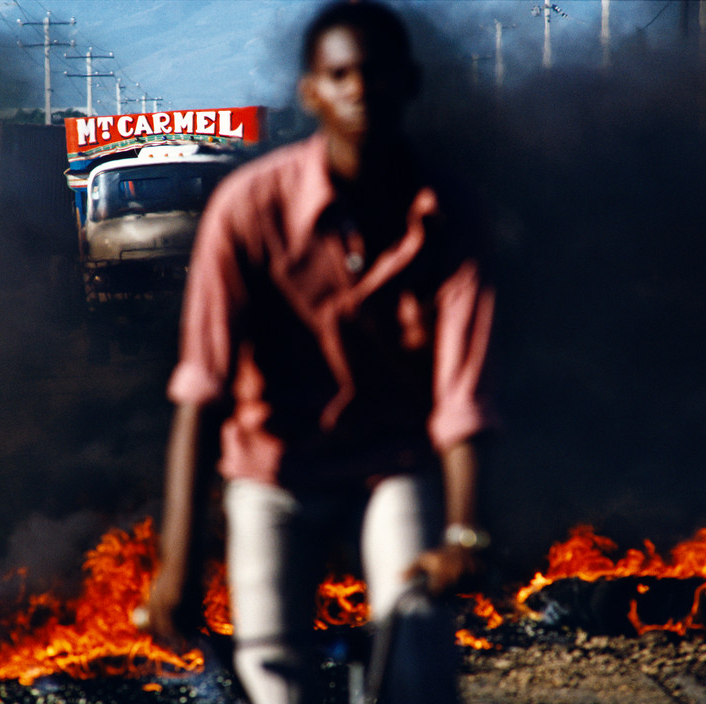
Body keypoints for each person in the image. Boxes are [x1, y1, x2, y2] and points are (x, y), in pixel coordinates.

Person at [142, 2, 496, 702]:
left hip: (392, 465)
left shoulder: (451, 214)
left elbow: (462, 396)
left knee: (419, 654)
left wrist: (463, 533)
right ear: (310, 91)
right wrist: (178, 565)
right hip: (272, 472)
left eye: (376, 73)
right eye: (339, 75)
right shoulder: (247, 209)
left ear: (409, 82)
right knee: (274, 677)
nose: (359, 90)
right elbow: (201, 392)